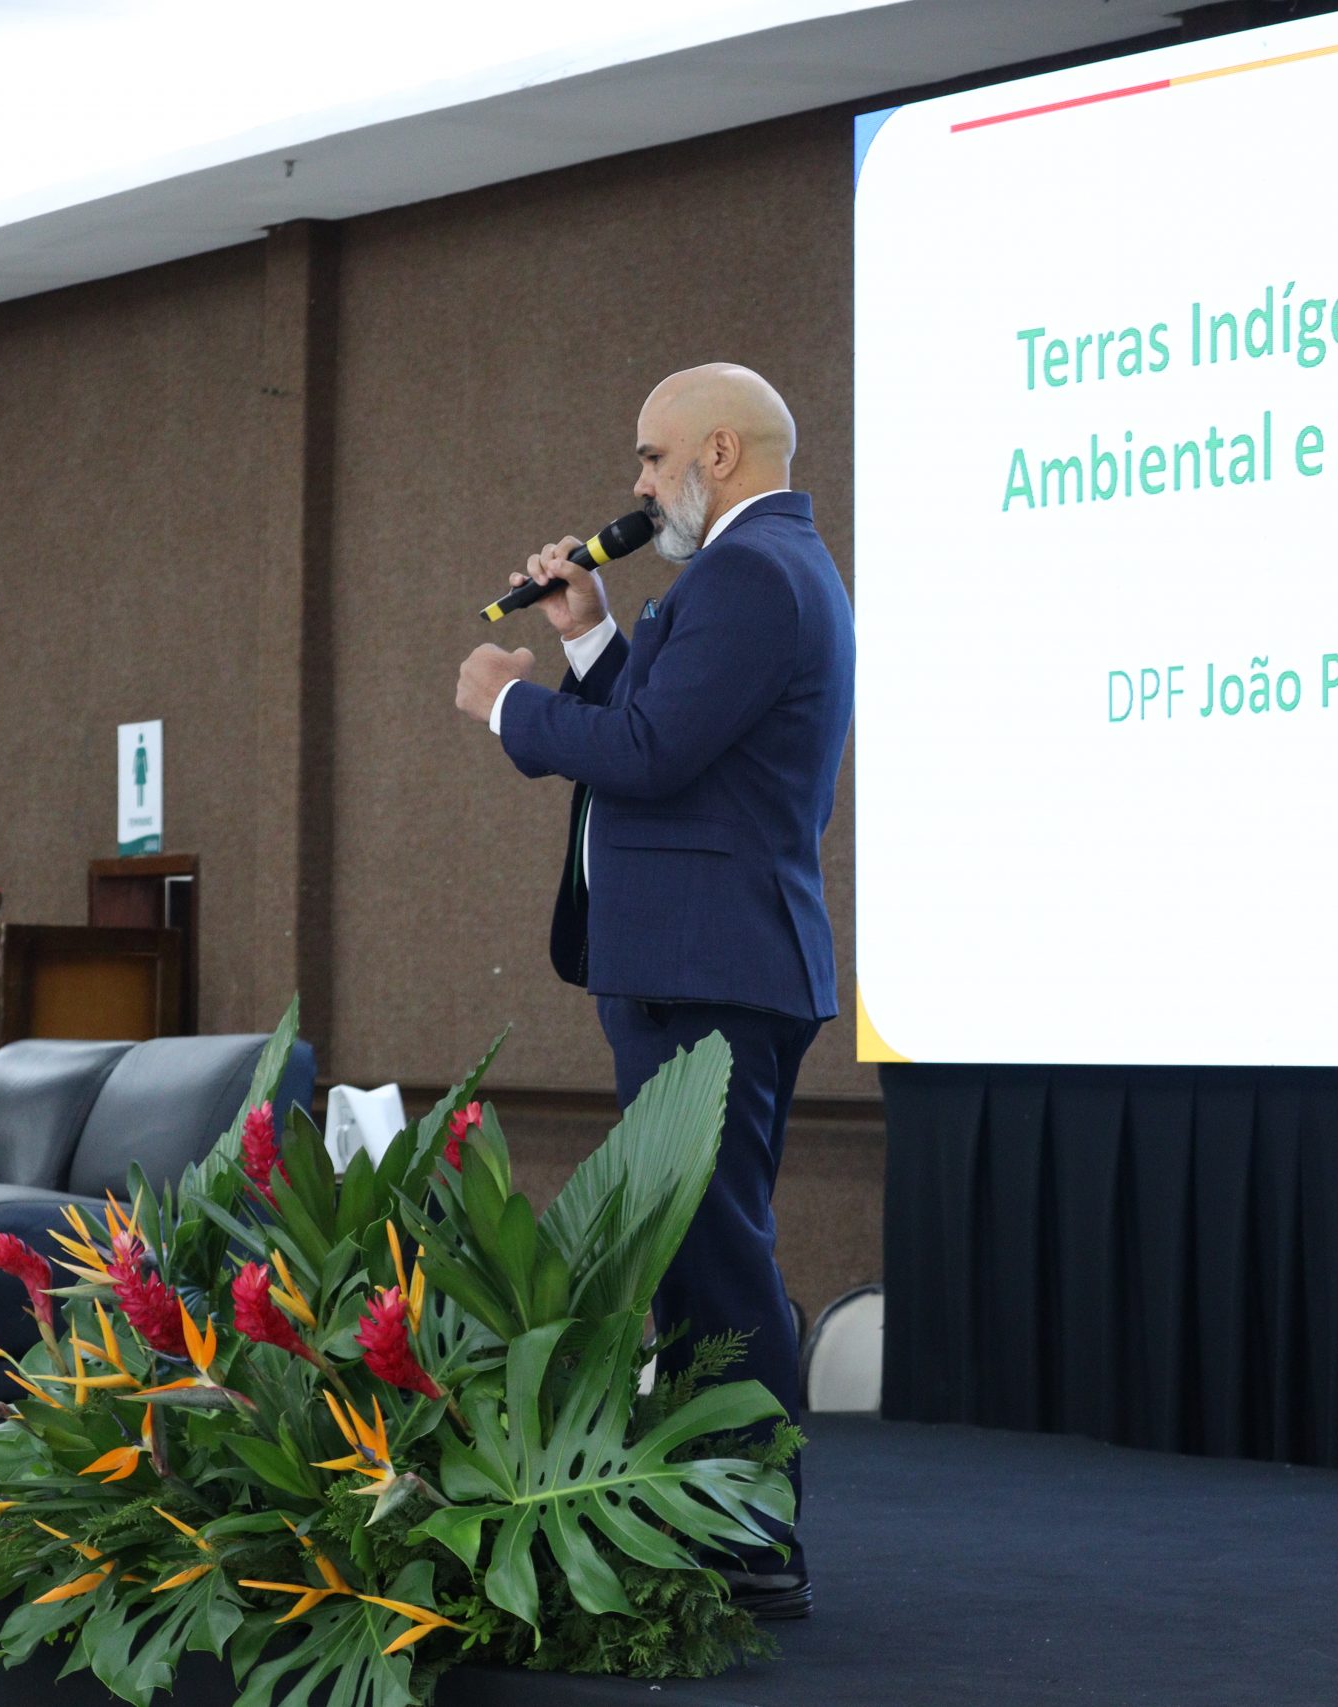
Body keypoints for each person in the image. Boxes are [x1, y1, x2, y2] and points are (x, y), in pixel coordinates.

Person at [452, 363, 853, 1620]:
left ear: (716, 453)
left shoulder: (750, 574)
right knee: (689, 1250)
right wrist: (586, 633)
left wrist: (509, 704)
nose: (633, 485)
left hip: (711, 968)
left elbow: (647, 753)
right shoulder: (760, 570)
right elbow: (666, 727)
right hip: (700, 964)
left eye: (649, 456)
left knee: (713, 1256)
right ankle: (713, 1515)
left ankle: (754, 1533)